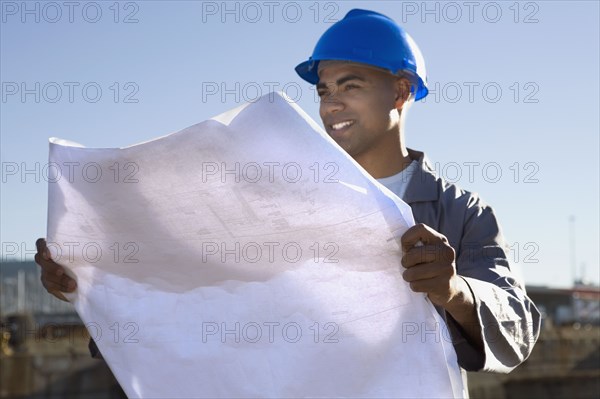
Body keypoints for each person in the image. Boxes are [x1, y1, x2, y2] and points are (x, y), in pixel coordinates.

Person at [36, 7, 540, 390]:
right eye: (323, 90)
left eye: (351, 84)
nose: (331, 102)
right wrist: (93, 288)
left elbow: (517, 328)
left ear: (401, 91)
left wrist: (453, 291)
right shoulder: (271, 201)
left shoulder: (460, 213)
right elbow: (198, 308)